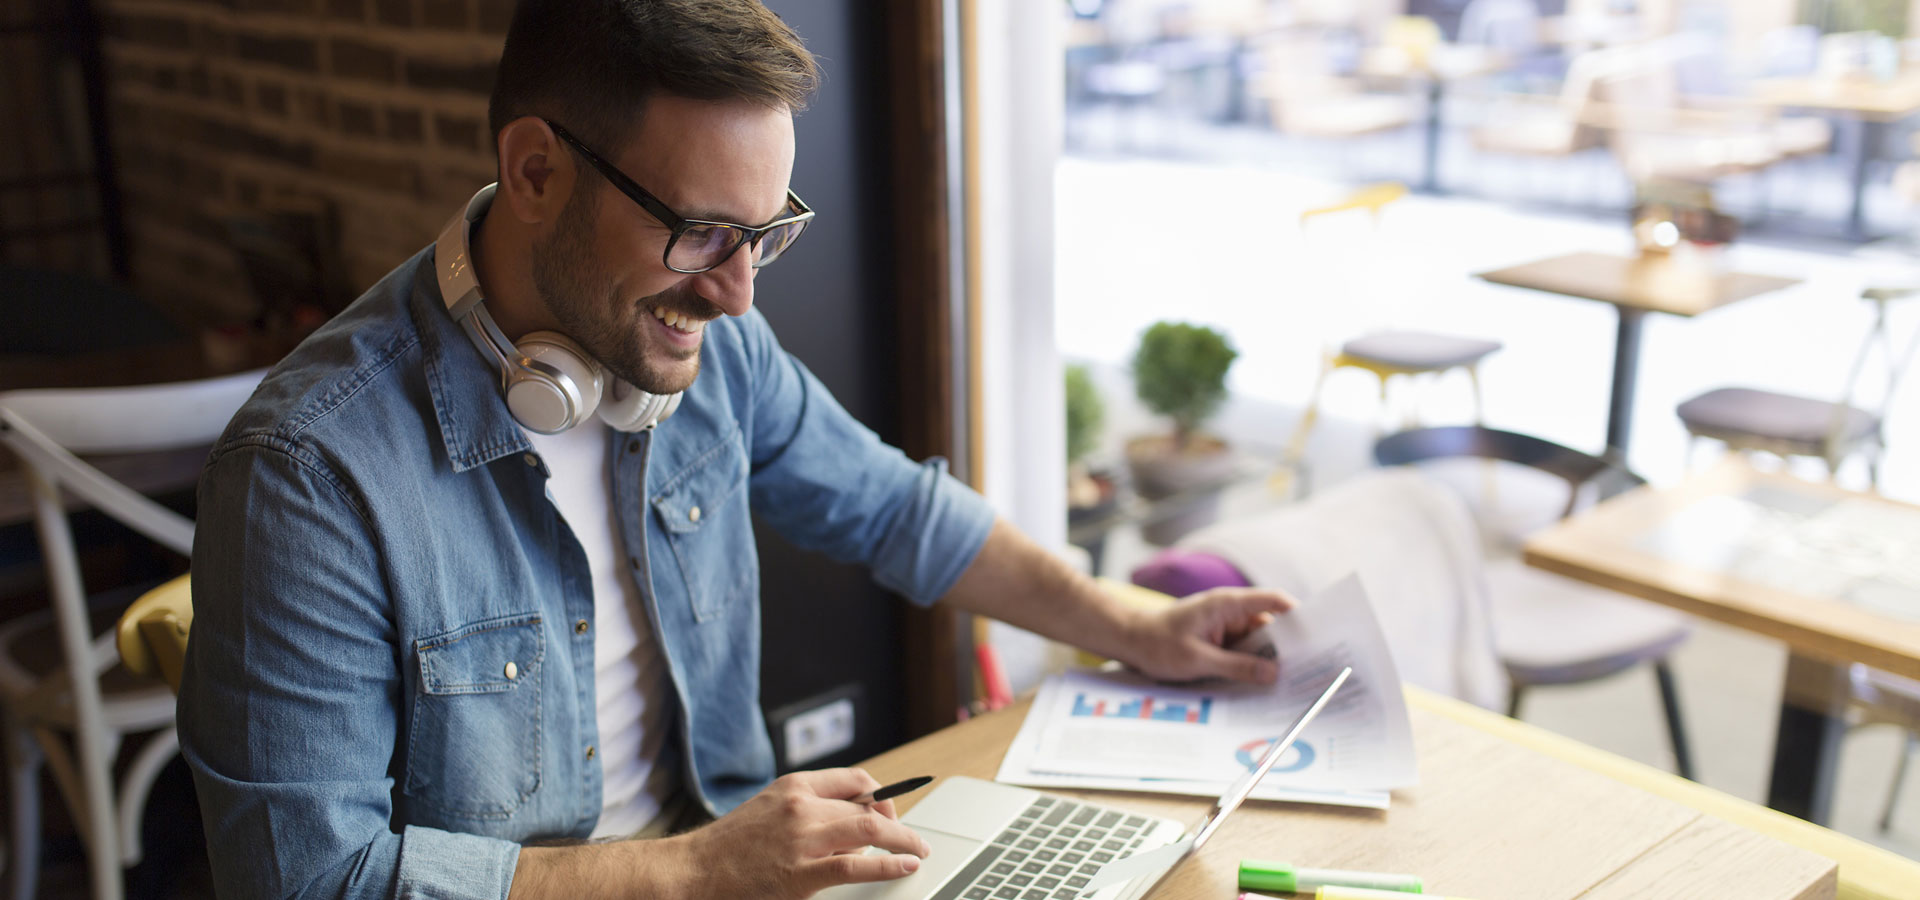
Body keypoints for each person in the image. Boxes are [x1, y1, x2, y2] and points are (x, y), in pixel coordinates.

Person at [177, 2, 1292, 898]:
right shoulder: (306, 475)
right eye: (702, 231)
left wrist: (1136, 624)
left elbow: (898, 511)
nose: (738, 291)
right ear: (533, 174)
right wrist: (699, 874)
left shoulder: (711, 348)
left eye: (764, 234)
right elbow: (314, 878)